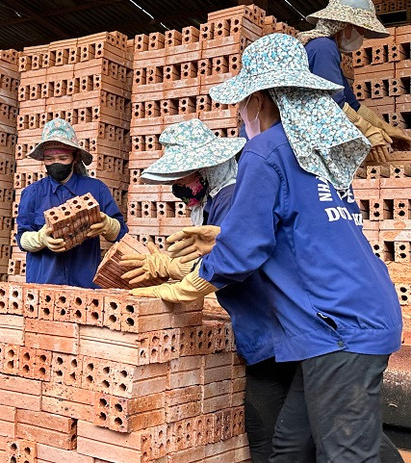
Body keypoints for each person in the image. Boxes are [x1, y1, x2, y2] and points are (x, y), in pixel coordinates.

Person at [132, 33, 402, 462]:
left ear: (259, 98)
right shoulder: (315, 151)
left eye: (243, 104)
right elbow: (299, 230)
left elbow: (244, 253)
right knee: (294, 442)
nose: (241, 114)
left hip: (339, 325)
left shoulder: (266, 149)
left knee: (346, 453)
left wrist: (185, 286)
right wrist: (218, 236)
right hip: (357, 312)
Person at [119, 119, 308, 463]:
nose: (180, 186)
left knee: (285, 439)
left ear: (209, 168)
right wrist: (170, 267)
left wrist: (175, 278)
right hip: (262, 333)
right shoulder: (213, 201)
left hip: (279, 329)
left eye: (185, 176)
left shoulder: (233, 199)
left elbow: (237, 262)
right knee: (268, 434)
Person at [16, 118, 127, 288]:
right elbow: (22, 238)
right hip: (43, 285)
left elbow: (121, 235)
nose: (56, 163)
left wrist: (108, 225)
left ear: (75, 158)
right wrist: (40, 238)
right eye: (50, 159)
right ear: (43, 160)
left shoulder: (96, 189)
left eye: (62, 158)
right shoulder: (32, 193)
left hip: (86, 285)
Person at [299, 0, 411, 161]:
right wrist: (367, 131)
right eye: (362, 29)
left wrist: (385, 128)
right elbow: (333, 104)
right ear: (346, 25)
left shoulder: (328, 49)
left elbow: (352, 104)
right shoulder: (323, 48)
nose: (363, 35)